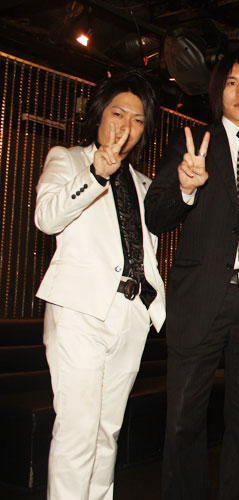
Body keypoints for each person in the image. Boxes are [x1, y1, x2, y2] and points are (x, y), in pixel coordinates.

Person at [144, 49, 239, 500]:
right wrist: (184, 187)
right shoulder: (193, 143)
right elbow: (156, 214)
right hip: (201, 298)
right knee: (182, 422)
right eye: (231, 82)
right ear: (217, 92)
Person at [34, 71, 165, 500]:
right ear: (99, 115)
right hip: (80, 312)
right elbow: (46, 218)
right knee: (78, 432)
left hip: (131, 315)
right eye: (118, 113)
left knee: (107, 434)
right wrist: (95, 174)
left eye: (138, 120)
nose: (126, 126)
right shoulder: (69, 159)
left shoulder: (145, 185)